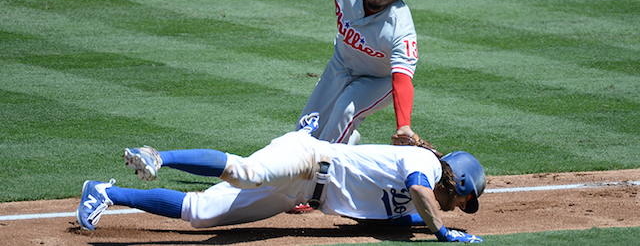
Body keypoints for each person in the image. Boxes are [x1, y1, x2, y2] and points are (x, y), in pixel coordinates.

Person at [77, 116, 485, 243]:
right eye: (461, 202)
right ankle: (158, 156)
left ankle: (104, 192)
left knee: (199, 214)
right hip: (307, 160)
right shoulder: (425, 165)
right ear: (459, 184)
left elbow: (396, 217)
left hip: (300, 191)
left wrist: (431, 226)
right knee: (247, 171)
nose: (456, 207)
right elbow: (419, 190)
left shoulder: (411, 206)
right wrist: (443, 231)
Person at [255, 0, 422, 146]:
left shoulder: (400, 28)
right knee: (307, 127)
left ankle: (324, 172)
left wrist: (403, 125)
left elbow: (402, 79)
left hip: (378, 80)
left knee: (345, 109)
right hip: (341, 64)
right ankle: (348, 142)